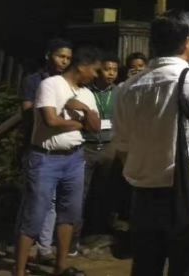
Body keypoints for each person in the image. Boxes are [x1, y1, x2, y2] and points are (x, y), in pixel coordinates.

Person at [112, 10, 189, 276]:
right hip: (186, 192)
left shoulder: (126, 88)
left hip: (142, 194)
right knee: (186, 264)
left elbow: (122, 147)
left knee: (145, 266)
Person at [16, 46, 102, 276]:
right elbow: (50, 121)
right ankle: (19, 270)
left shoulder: (87, 94)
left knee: (69, 214)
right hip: (45, 158)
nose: (96, 75)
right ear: (82, 67)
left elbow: (95, 127)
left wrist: (83, 109)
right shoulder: (51, 84)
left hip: (75, 158)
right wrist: (80, 123)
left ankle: (60, 266)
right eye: (94, 70)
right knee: (35, 214)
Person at [17, 38, 73, 265]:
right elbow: (29, 111)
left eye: (68, 58)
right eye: (61, 56)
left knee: (53, 201)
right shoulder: (33, 81)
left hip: (62, 146)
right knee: (35, 200)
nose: (64, 61)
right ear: (49, 55)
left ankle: (44, 248)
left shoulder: (67, 82)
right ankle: (26, 249)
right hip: (37, 146)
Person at [76, 53, 119, 244]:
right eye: (107, 69)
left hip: (110, 146)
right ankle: (77, 230)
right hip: (87, 145)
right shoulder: (86, 91)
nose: (111, 73)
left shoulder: (119, 92)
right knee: (82, 190)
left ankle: (99, 228)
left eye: (114, 70)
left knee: (104, 189)